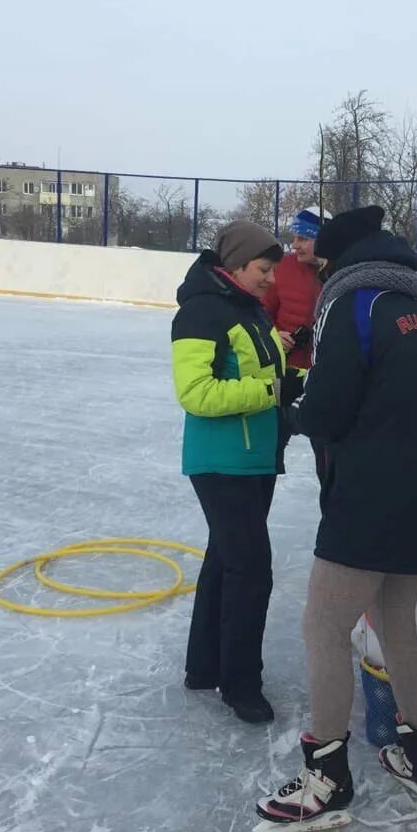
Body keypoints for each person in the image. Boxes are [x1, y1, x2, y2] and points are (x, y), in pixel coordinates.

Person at [253, 206, 417, 832]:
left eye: (323, 262)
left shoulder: (353, 306)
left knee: (322, 628)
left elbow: (332, 410)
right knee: (397, 627)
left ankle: (327, 780)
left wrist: (296, 411)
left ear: (342, 260)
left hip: (368, 497)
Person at [171, 221, 302, 726]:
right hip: (221, 461)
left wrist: (302, 380)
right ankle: (241, 683)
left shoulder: (247, 310)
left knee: (225, 560)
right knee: (251, 571)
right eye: (265, 269)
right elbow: (196, 393)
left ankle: (204, 667)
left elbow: (266, 374)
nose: (272, 279)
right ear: (236, 265)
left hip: (254, 458)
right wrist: (270, 394)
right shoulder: (202, 311)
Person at [263, 206, 331, 487]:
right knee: (268, 447)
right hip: (284, 374)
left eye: (304, 237)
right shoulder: (282, 268)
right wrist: (274, 336)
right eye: (295, 237)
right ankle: (255, 513)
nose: (296, 244)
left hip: (322, 379)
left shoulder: (339, 271)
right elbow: (257, 317)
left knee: (327, 458)